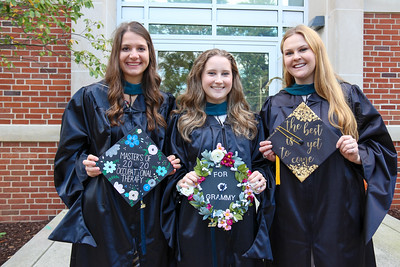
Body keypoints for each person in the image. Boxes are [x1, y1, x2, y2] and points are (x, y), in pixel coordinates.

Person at [259, 24, 397, 267]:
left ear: (317, 51)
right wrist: (270, 159)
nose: (296, 57)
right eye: (289, 53)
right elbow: (260, 165)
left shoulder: (347, 96)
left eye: (303, 49)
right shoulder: (274, 104)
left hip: (339, 209)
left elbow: (382, 149)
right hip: (289, 214)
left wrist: (358, 154)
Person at [48, 21, 180, 267]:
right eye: (125, 48)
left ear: (150, 54)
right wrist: (83, 165)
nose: (133, 55)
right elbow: (68, 155)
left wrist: (172, 165)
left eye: (141, 48)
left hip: (150, 210)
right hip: (104, 209)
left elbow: (175, 153)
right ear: (115, 54)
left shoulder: (165, 102)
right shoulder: (90, 97)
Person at [161, 48, 274, 267]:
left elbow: (261, 164)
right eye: (211, 73)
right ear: (199, 77)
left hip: (241, 225)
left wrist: (261, 177)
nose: (219, 80)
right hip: (195, 224)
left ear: (234, 78)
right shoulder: (182, 123)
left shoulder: (251, 123)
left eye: (225, 74)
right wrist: (182, 180)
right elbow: (173, 168)